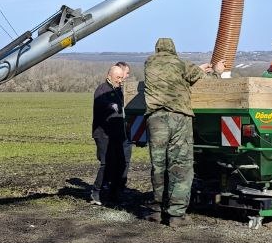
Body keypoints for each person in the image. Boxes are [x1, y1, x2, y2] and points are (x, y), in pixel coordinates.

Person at [143, 37, 216, 228]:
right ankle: (176, 215)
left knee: (158, 165)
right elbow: (197, 77)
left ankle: (156, 211)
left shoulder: (149, 63)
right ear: (173, 49)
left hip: (156, 119)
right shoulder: (181, 63)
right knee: (180, 166)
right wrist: (215, 72)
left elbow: (169, 72)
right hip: (179, 118)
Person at [90, 63, 130, 206]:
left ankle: (114, 194)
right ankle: (96, 192)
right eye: (118, 77)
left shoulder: (118, 90)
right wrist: (110, 106)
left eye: (121, 77)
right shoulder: (102, 89)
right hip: (103, 134)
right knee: (106, 163)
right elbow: (101, 104)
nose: (120, 80)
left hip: (116, 133)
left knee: (119, 163)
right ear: (109, 76)